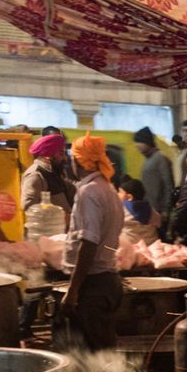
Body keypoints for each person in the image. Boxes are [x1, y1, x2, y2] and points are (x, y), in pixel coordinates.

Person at [59, 134, 125, 352]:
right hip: (108, 280)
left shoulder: (89, 192)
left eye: (71, 158)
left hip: (93, 286)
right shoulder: (109, 189)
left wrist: (73, 290)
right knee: (105, 353)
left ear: (79, 161)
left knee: (92, 358)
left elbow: (89, 243)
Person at [20, 132, 73, 223]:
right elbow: (28, 206)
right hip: (47, 233)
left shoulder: (53, 172)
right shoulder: (35, 175)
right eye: (61, 153)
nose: (64, 158)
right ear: (48, 155)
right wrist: (59, 217)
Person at [132, 126, 174, 237]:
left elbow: (168, 185)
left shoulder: (160, 159)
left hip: (159, 211)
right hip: (150, 211)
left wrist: (166, 209)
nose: (137, 146)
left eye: (139, 142)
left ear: (148, 142)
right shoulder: (148, 160)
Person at [118, 177, 160, 243]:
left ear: (129, 197)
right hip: (151, 244)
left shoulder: (121, 209)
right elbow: (158, 222)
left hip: (131, 245)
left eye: (120, 192)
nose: (118, 194)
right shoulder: (149, 208)